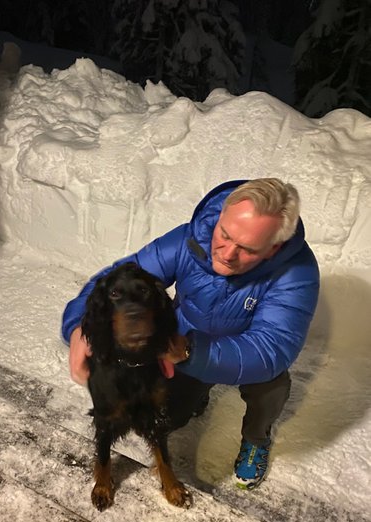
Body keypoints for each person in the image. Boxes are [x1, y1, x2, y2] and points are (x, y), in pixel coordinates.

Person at [62, 178, 320, 490]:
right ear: (220, 218)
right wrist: (78, 326)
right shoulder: (192, 237)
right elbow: (116, 278)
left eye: (247, 249)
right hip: (183, 343)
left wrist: (192, 352)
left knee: (271, 386)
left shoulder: (296, 273)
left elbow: (270, 350)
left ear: (274, 247)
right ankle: (198, 393)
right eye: (224, 234)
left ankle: (256, 439)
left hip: (231, 353)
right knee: (166, 419)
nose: (227, 254)